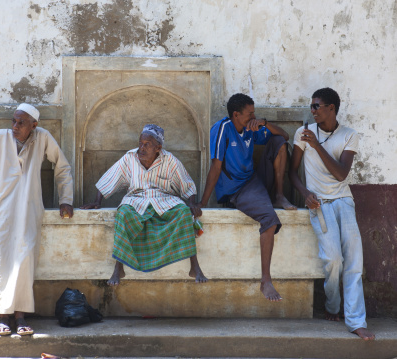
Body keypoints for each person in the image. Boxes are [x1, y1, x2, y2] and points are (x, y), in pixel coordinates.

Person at [0, 103, 74, 336]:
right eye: (13, 121)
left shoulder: (43, 138)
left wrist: (66, 199)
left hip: (28, 208)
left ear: (34, 125)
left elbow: (62, 167)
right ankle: (3, 317)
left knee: (24, 259)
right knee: (0, 259)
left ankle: (21, 316)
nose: (15, 126)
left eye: (21, 123)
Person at [289, 87, 375, 340]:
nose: (312, 110)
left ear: (331, 109)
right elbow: (292, 172)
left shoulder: (349, 135)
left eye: (317, 106)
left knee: (354, 261)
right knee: (333, 259)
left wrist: (315, 145)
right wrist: (305, 193)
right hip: (319, 204)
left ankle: (356, 321)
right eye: (312, 106)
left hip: (344, 201)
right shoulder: (302, 134)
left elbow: (340, 174)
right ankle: (332, 305)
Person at [81, 124, 208, 285]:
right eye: (141, 143)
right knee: (123, 214)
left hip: (164, 200)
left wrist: (192, 203)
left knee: (183, 212)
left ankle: (194, 266)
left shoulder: (169, 160)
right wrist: (97, 202)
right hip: (136, 199)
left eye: (147, 144)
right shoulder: (130, 157)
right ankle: (118, 268)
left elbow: (187, 184)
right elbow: (111, 177)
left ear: (158, 148)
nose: (142, 148)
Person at [198, 93, 296, 301]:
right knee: (269, 220)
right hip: (237, 190)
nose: (254, 116)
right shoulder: (223, 128)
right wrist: (203, 203)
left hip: (254, 181)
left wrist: (265, 123)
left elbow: (285, 136)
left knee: (278, 142)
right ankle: (266, 280)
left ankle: (279, 195)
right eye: (250, 113)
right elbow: (215, 167)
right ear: (236, 114)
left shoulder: (252, 128)